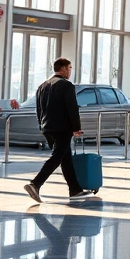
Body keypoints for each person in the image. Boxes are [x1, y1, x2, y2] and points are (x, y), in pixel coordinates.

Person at [23, 58, 93, 203]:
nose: (70, 71)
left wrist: (41, 125)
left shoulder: (43, 86)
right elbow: (72, 108)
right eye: (70, 68)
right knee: (57, 157)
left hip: (47, 127)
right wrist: (76, 128)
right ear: (63, 68)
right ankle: (35, 184)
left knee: (65, 158)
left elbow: (39, 109)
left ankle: (75, 189)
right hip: (62, 128)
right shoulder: (67, 86)